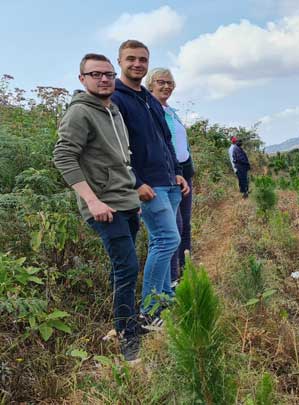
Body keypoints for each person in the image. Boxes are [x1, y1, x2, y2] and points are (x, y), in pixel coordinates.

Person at [53, 53, 142, 361]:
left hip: (126, 201)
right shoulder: (80, 113)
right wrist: (92, 200)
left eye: (108, 74)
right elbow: (63, 156)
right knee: (127, 266)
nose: (104, 79)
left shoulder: (113, 109)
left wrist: (132, 196)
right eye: (95, 74)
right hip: (104, 207)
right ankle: (128, 338)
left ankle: (127, 323)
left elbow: (121, 159)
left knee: (126, 269)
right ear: (82, 79)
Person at [111, 40, 189, 326]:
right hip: (148, 186)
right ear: (119, 61)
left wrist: (177, 171)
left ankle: (165, 299)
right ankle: (151, 310)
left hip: (168, 181)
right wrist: (135, 181)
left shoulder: (148, 98)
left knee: (169, 239)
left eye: (142, 59)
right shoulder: (117, 99)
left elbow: (166, 139)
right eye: (131, 59)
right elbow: (116, 147)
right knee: (166, 239)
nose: (137, 64)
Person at [145, 68, 193, 284]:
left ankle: (186, 268)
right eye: (160, 82)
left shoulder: (170, 111)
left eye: (170, 83)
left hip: (182, 173)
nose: (166, 86)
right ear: (150, 84)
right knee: (171, 229)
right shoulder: (149, 109)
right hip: (165, 177)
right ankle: (171, 280)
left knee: (185, 224)